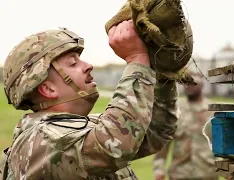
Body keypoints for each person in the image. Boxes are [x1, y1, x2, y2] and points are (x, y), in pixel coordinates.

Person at [0, 20, 179, 180]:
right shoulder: (41, 139)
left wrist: (161, 68)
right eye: (73, 63)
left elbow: (156, 129)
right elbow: (114, 144)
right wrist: (136, 59)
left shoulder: (81, 128)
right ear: (48, 89)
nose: (88, 66)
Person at [153, 72, 218, 180]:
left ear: (201, 85)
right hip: (179, 173)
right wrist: (159, 169)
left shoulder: (212, 111)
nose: (189, 87)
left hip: (207, 172)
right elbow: (163, 143)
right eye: (186, 84)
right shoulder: (175, 110)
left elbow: (223, 142)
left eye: (193, 84)